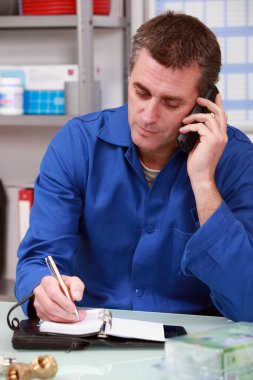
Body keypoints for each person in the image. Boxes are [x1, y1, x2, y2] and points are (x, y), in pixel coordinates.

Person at [15, 11, 253, 323]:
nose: (147, 116)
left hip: (192, 351)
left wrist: (204, 183)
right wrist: (42, 292)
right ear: (129, 76)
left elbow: (247, 303)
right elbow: (38, 258)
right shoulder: (78, 144)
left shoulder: (237, 161)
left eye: (170, 103)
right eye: (141, 92)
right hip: (92, 341)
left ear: (204, 103)